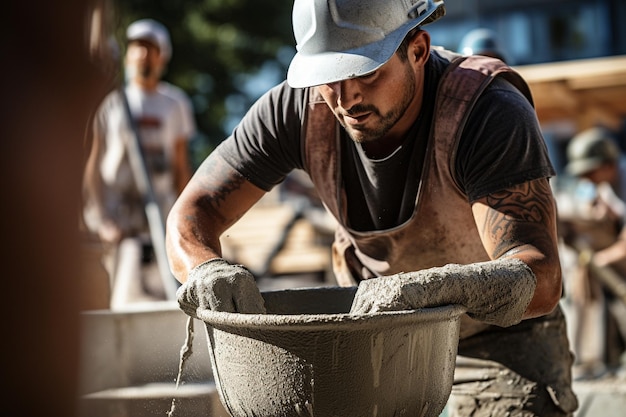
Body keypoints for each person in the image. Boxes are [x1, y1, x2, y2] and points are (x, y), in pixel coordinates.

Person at [166, 1, 578, 415]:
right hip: (373, 337)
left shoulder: (486, 111)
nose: (347, 98)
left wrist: (434, 289)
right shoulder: (296, 111)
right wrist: (205, 268)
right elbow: (191, 214)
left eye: (365, 70)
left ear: (417, 49)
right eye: (328, 78)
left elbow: (540, 277)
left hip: (498, 338)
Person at [83, 18, 196, 309]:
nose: (143, 54)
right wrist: (102, 218)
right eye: (137, 47)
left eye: (150, 48)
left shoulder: (175, 104)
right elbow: (94, 164)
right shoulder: (111, 103)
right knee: (119, 300)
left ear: (163, 55)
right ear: (128, 54)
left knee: (164, 300)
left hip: (159, 218)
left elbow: (181, 166)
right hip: (119, 220)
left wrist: (187, 218)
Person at [558, 126, 626, 378]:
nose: (585, 178)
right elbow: (593, 205)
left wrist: (602, 258)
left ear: (607, 164)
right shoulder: (605, 182)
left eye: (589, 172)